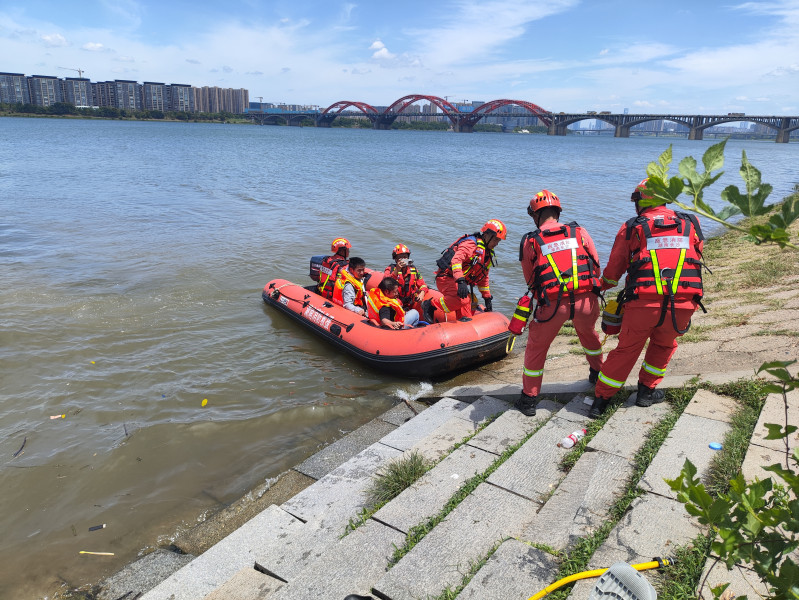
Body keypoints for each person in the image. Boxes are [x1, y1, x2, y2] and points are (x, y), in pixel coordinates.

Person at [589, 179, 705, 418]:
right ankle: (646, 393)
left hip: (644, 303)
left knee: (627, 350)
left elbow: (614, 269)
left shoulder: (632, 227)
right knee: (664, 345)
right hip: (682, 302)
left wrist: (600, 287)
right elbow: (696, 255)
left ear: (640, 201)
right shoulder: (691, 222)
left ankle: (600, 402)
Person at [515, 190, 604, 416]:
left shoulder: (530, 240)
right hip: (586, 301)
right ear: (557, 212)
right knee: (589, 335)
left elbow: (530, 277)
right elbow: (596, 264)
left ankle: (529, 400)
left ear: (535, 215)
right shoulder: (579, 231)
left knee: (536, 348)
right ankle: (597, 373)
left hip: (552, 305)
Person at [432, 219, 507, 320]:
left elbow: (483, 278)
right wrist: (461, 280)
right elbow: (456, 260)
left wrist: (487, 297)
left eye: (498, 241)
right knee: (463, 300)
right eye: (495, 240)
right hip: (446, 277)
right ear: (486, 235)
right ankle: (430, 305)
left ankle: (461, 328)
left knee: (469, 309)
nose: (497, 243)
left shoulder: (488, 254)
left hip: (458, 282)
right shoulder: (471, 244)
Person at [384, 244, 428, 314]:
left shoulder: (413, 269)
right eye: (400, 257)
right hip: (395, 303)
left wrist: (422, 293)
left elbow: (423, 284)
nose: (403, 260)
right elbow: (385, 284)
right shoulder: (390, 269)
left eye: (405, 257)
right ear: (395, 259)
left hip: (410, 303)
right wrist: (396, 271)